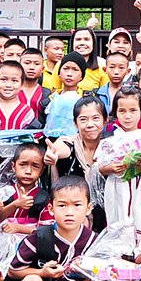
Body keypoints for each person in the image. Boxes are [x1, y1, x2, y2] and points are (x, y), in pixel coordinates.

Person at [99, 87, 141, 230]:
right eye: (122, 111)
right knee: (117, 221)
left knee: (140, 221)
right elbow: (100, 167)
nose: (127, 116)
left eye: (133, 110)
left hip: (140, 186)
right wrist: (111, 167)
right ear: (115, 112)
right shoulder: (109, 135)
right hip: (115, 186)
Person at [46, 96, 109, 231]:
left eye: (95, 118)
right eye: (83, 120)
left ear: (105, 120)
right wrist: (53, 154)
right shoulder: (70, 143)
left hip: (108, 219)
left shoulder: (112, 148)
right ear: (75, 123)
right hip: (73, 221)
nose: (90, 124)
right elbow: (61, 148)